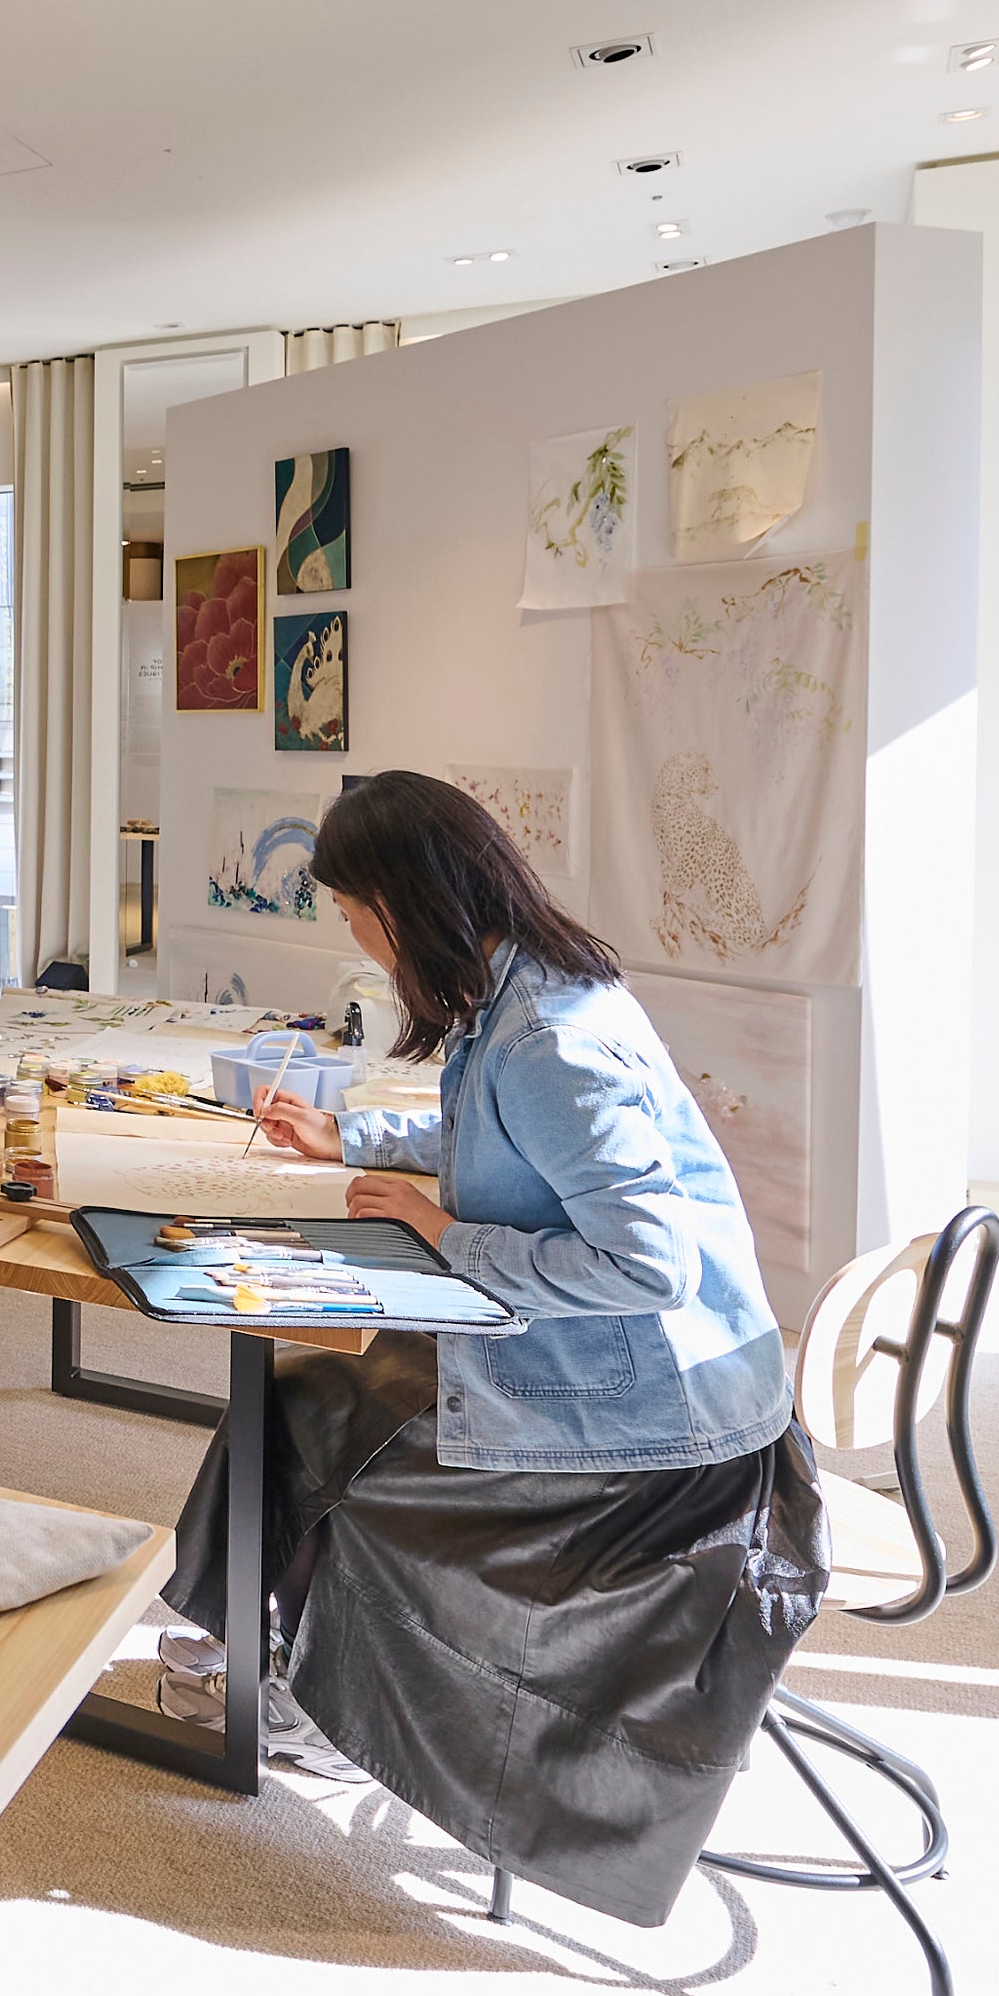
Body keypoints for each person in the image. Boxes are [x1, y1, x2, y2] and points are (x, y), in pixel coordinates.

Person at [163, 768, 819, 1926]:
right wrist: (351, 1133)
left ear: (401, 902)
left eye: (352, 912)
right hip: (668, 1376)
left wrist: (443, 1232)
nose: (354, 937)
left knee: (326, 1435)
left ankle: (304, 1693)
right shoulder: (533, 986)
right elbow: (501, 1137)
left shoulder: (551, 1039)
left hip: (665, 1433)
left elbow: (648, 1265)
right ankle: (265, 1649)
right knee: (315, 1393)